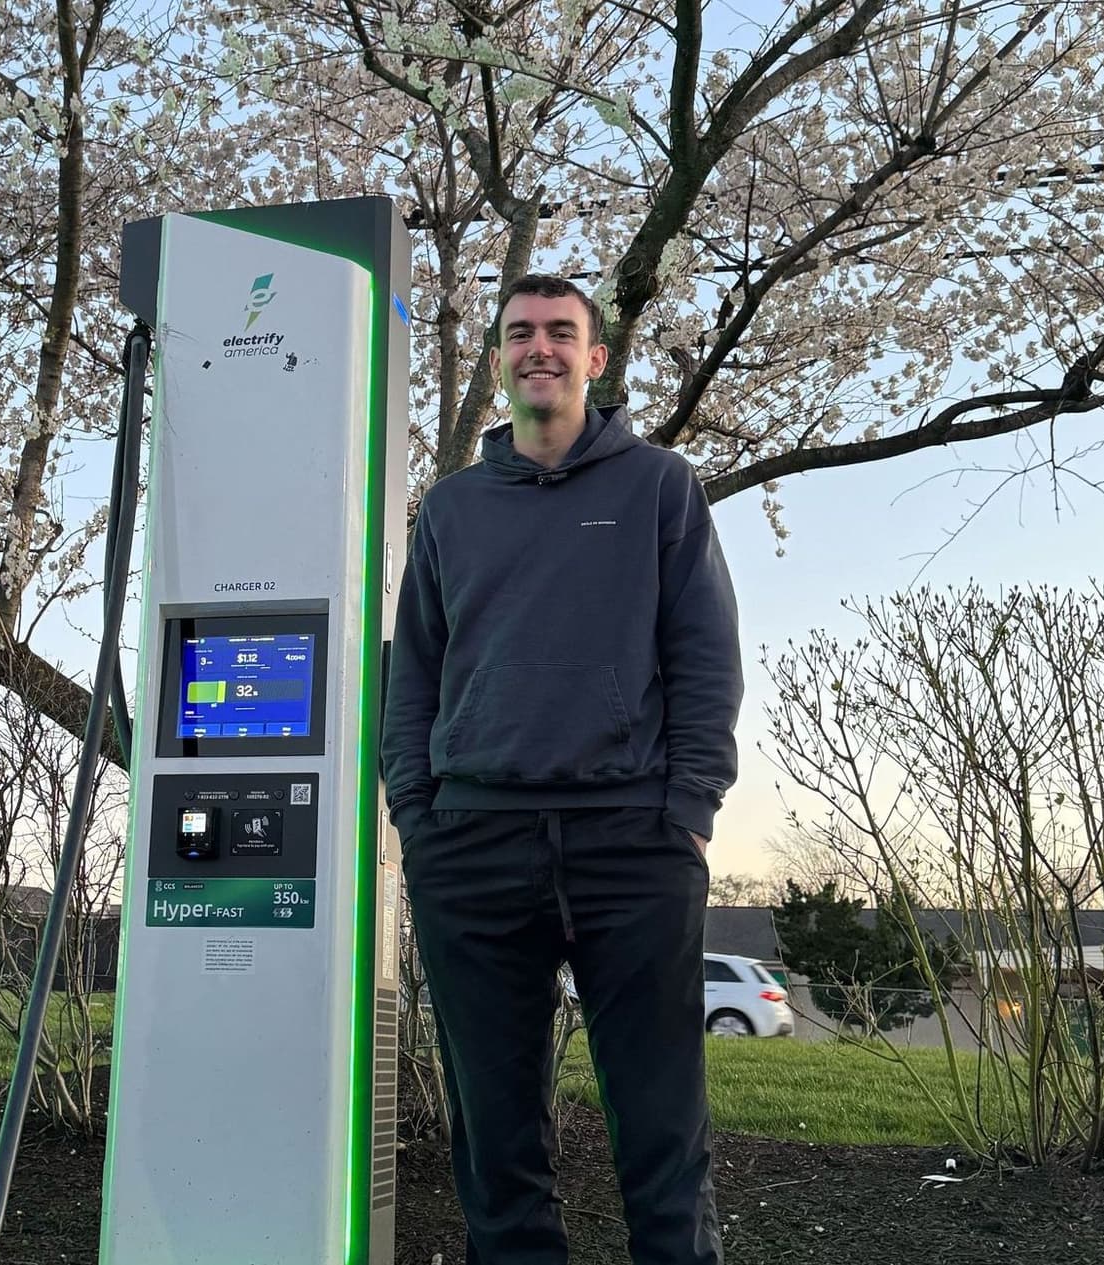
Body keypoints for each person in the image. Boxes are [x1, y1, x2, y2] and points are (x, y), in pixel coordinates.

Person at [382, 274, 743, 1264]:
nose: (538, 347)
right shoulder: (450, 511)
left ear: (595, 358)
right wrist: (418, 815)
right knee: (495, 1143)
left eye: (560, 332)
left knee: (662, 1133)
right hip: (473, 847)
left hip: (632, 844)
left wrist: (688, 812)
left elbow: (705, 659)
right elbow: (409, 672)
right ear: (499, 360)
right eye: (519, 333)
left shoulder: (660, 487)